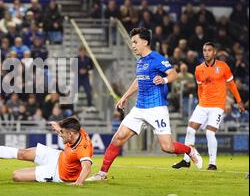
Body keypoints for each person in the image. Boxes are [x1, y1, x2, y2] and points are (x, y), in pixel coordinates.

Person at [87, 28, 203, 181]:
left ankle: (190, 150)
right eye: (132, 42)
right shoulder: (140, 61)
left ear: (145, 42)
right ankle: (102, 174)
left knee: (167, 147)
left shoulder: (156, 58)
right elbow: (138, 80)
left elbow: (173, 73)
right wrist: (125, 96)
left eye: (135, 42)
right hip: (139, 108)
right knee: (118, 138)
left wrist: (164, 80)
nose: (133, 45)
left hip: (156, 108)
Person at [172, 42, 245, 170]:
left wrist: (239, 101)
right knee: (190, 130)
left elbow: (232, 85)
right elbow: (199, 87)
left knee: (209, 133)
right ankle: (186, 160)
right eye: (204, 50)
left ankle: (212, 164)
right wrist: (201, 101)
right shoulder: (198, 69)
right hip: (203, 105)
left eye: (209, 50)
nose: (206, 53)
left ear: (214, 52)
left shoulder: (223, 67)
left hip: (217, 106)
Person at [0, 117, 93, 185]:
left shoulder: (83, 148)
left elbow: (87, 167)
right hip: (57, 156)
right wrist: (59, 128)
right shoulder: (77, 131)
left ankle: (41, 174)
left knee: (17, 176)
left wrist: (78, 183)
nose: (60, 135)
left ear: (71, 134)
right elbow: (70, 126)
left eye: (62, 133)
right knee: (23, 153)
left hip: (57, 173)